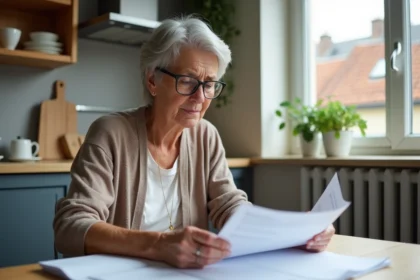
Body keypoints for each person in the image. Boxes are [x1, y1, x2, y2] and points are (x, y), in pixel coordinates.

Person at [53, 15, 335, 269]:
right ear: (153, 80)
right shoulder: (110, 133)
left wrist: (290, 234)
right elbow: (70, 227)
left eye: (209, 84)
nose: (200, 98)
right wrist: (158, 245)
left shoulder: (206, 135)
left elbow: (230, 206)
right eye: (187, 81)